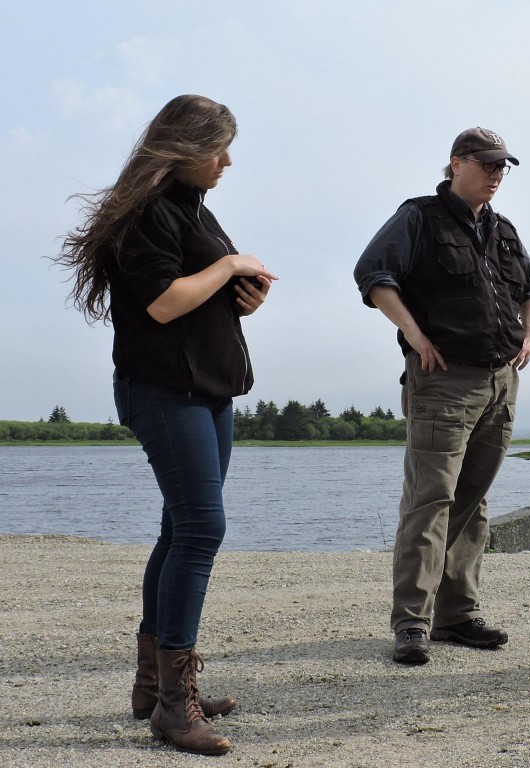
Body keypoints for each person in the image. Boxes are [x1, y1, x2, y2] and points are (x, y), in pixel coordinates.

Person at [56, 94, 278, 755]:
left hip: (209, 390)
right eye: (219, 149)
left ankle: (154, 689)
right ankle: (173, 708)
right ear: (186, 148)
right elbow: (161, 303)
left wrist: (248, 295)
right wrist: (232, 265)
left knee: (179, 528)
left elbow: (200, 295)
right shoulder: (151, 213)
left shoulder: (191, 210)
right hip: (164, 392)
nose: (227, 161)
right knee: (203, 528)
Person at [354, 127, 530, 665]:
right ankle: (412, 622)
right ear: (456, 163)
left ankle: (457, 616)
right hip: (443, 381)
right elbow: (373, 275)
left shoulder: (503, 229)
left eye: (503, 166)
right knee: (430, 499)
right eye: (487, 164)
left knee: (474, 503)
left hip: (500, 381)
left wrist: (529, 337)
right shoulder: (418, 216)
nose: (496, 174)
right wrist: (415, 336)